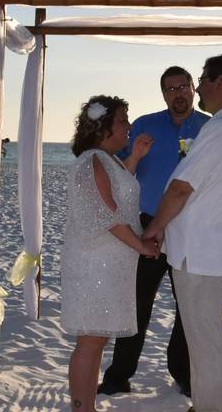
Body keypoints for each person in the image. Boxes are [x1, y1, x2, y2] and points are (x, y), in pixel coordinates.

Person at [143, 53, 222, 412]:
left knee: (205, 339)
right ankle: (210, 403)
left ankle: (210, 407)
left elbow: (180, 188)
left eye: (203, 79)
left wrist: (155, 228)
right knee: (207, 336)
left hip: (200, 250)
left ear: (219, 82)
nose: (200, 87)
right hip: (209, 247)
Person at [99, 66, 209, 398]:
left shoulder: (210, 128)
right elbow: (109, 161)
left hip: (191, 228)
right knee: (136, 304)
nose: (177, 93)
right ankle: (119, 376)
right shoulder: (145, 125)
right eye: (170, 88)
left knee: (187, 305)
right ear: (163, 93)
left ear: (193, 89)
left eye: (182, 86)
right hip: (147, 226)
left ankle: (183, 373)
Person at [61, 95, 158, 412]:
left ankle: (86, 406)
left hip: (109, 264)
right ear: (104, 127)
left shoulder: (108, 160)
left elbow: (116, 188)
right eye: (122, 120)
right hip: (94, 266)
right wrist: (142, 245)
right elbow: (108, 213)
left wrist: (136, 158)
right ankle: (81, 408)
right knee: (89, 341)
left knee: (97, 339)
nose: (129, 126)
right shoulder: (91, 161)